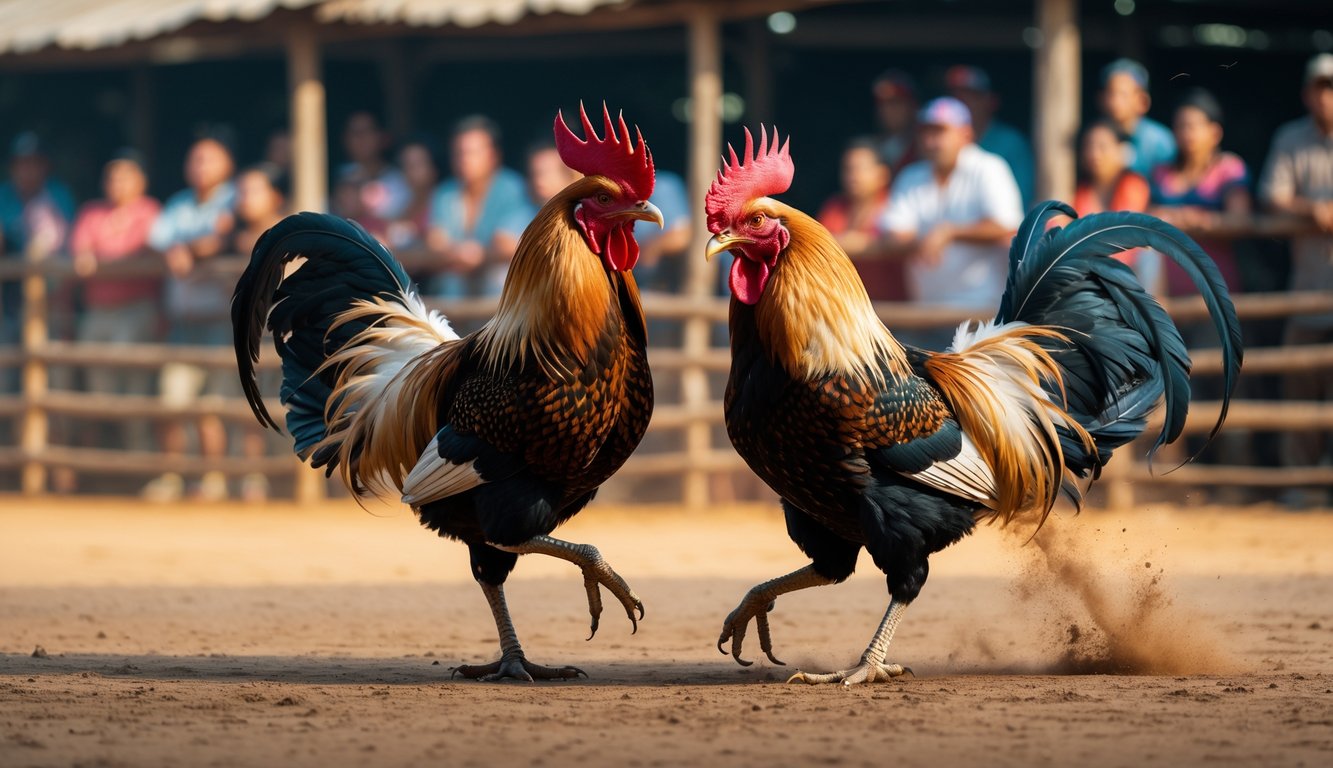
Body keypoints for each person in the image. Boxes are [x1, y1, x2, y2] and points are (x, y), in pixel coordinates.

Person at [143, 136, 238, 502]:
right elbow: (156, 239)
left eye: (209, 160)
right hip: (184, 318)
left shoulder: (234, 199)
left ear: (227, 164)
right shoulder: (180, 204)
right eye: (195, 159)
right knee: (171, 400)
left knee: (213, 405)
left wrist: (188, 248)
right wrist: (176, 247)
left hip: (219, 319)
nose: (201, 167)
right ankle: (172, 476)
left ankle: (212, 479)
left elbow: (226, 237)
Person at [880, 97, 1023, 329]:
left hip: (984, 314)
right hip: (925, 313)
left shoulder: (989, 168)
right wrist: (921, 241)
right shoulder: (911, 176)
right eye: (926, 132)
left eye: (940, 132)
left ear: (965, 134)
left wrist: (949, 233)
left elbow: (1008, 224)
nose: (930, 140)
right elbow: (892, 232)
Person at [1260, 53, 1333, 504]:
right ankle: (1301, 488)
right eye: (1321, 87)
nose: (1327, 96)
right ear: (1308, 93)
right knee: (1300, 396)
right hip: (1308, 291)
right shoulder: (1291, 138)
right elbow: (1272, 195)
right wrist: (1314, 209)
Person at [68, 152, 162, 451]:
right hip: (98, 312)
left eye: (125, 177)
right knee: (100, 390)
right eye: (112, 177)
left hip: (136, 309)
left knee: (135, 389)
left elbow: (155, 251)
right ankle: (107, 460)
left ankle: (140, 457)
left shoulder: (151, 212)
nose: (117, 183)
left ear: (141, 181)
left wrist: (107, 263)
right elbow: (80, 253)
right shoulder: (92, 212)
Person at [1149, 88, 1249, 297]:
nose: (1186, 133)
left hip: (1214, 294)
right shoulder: (1161, 172)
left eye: (1193, 126)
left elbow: (1240, 219)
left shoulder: (1229, 168)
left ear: (1215, 132)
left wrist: (1197, 220)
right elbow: (1143, 215)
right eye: (1180, 126)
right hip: (1163, 295)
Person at [426, 115, 534, 298]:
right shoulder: (444, 193)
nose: (464, 159)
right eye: (458, 153)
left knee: (500, 276)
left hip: (502, 285)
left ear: (493, 156)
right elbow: (436, 244)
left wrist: (479, 256)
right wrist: (460, 255)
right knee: (448, 283)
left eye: (472, 152)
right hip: (455, 278)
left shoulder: (512, 187)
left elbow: (510, 245)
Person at [0, 132, 73, 391]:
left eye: (34, 163)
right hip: (8, 301)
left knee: (52, 375)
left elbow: (63, 250)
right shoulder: (4, 195)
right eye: (22, 163)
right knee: (6, 375)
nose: (27, 170)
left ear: (44, 167)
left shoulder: (57, 196)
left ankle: (57, 432)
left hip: (50, 298)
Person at [1072, 120, 1159, 291]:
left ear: (1122, 151)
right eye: (1088, 146)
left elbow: (1126, 242)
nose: (1094, 154)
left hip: (1129, 280)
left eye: (1102, 147)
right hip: (1088, 279)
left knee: (1150, 255)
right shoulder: (1079, 193)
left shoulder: (1134, 185)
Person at [818, 137, 905, 301]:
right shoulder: (835, 207)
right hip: (844, 306)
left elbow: (902, 242)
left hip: (893, 307)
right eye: (848, 169)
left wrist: (857, 244)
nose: (853, 175)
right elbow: (817, 247)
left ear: (882, 174)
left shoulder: (896, 207)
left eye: (860, 169)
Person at [946, 65, 1035, 209]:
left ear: (991, 101)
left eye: (971, 96)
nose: (963, 103)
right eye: (956, 97)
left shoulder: (1011, 142)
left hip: (1001, 226)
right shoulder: (939, 142)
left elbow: (1021, 200)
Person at [1099, 58, 1176, 177]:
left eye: (1123, 95)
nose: (1115, 101)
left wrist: (1131, 161)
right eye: (1111, 93)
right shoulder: (1096, 137)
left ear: (1143, 101)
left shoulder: (1160, 141)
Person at [334, 112, 409, 226]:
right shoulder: (337, 177)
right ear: (345, 139)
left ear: (382, 137)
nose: (361, 138)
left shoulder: (399, 179)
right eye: (355, 133)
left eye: (367, 131)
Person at [383, 135, 443, 252]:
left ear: (434, 168)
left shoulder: (445, 203)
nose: (410, 170)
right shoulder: (399, 205)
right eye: (406, 165)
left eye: (418, 164)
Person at [871, 69, 919, 172]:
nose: (888, 110)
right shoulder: (869, 148)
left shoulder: (924, 145)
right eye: (882, 104)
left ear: (912, 105)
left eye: (895, 103)